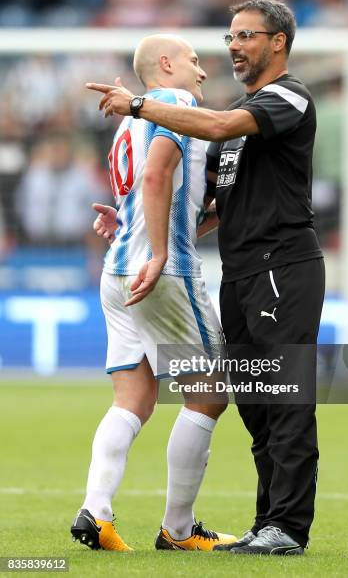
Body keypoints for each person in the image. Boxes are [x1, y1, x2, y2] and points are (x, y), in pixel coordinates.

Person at [87, 0, 325, 556]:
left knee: (284, 396)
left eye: (247, 36)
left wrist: (141, 104)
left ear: (278, 43)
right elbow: (210, 207)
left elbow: (216, 122)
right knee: (256, 402)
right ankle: (268, 522)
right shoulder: (242, 118)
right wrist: (134, 226)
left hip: (281, 267)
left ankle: (287, 527)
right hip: (241, 273)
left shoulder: (286, 97)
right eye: (231, 37)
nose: (235, 47)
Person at [71, 33, 236, 553]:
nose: (202, 72)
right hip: (161, 273)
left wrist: (128, 226)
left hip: (117, 272)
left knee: (134, 399)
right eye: (193, 60)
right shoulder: (177, 102)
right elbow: (159, 173)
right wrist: (162, 253)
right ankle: (179, 530)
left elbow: (147, 189)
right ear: (165, 65)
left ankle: (95, 513)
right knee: (209, 392)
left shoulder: (128, 121)